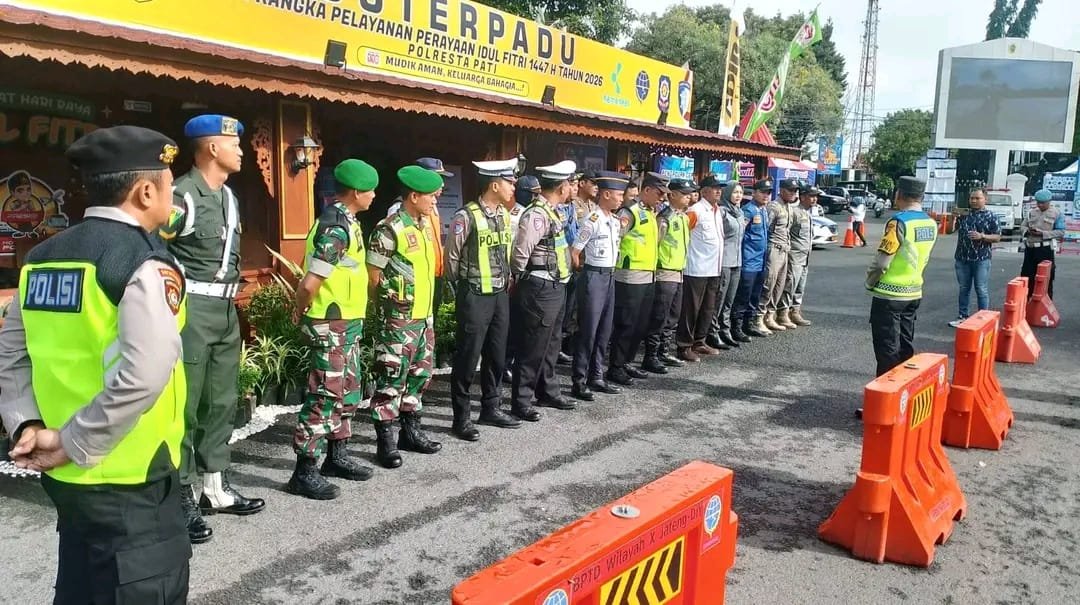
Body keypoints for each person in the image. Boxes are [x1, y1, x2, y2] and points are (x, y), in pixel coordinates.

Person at [0, 125, 192, 603]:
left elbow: (11, 355)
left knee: (81, 587)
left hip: (65, 478)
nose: (173, 193)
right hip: (131, 478)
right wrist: (73, 442)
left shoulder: (41, 258)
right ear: (146, 191)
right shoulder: (142, 262)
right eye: (169, 182)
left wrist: (26, 423)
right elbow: (145, 374)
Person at [162, 114, 263, 544]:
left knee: (221, 400)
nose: (240, 149)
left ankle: (214, 488)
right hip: (191, 309)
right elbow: (154, 248)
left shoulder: (229, 197)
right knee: (185, 403)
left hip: (224, 311)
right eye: (233, 142)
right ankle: (182, 493)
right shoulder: (181, 195)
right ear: (211, 149)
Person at [286, 159, 378, 500]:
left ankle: (336, 457)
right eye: (370, 190)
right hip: (330, 323)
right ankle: (304, 470)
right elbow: (311, 283)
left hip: (347, 323)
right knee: (325, 393)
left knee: (347, 389)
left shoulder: (349, 222)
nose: (373, 196)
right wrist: (299, 310)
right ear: (356, 192)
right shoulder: (335, 228)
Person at [366, 165, 445, 468]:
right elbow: (373, 276)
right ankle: (385, 441)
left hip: (423, 319)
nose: (435, 202)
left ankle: (410, 433)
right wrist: (390, 311)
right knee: (391, 380)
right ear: (414, 196)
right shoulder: (389, 229)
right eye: (431, 197)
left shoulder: (423, 225)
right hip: (399, 321)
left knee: (419, 377)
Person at [443, 158, 523, 441]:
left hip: (500, 294)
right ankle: (461, 418)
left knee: (497, 355)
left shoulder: (503, 215)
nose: (514, 186)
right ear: (494, 184)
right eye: (509, 182)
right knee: (467, 357)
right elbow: (451, 258)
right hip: (475, 295)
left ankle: (491, 407)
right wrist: (462, 286)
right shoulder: (466, 216)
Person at [510, 160, 578, 420]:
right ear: (561, 187)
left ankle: (547, 391)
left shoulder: (554, 211)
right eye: (570, 184)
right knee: (533, 345)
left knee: (551, 342)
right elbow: (520, 254)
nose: (572, 187)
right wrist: (523, 277)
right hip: (540, 286)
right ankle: (522, 401)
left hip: (556, 284)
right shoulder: (537, 214)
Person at [866, 176, 936, 380]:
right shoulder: (930, 222)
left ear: (900, 194)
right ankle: (903, 395)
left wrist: (870, 282)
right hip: (914, 292)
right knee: (905, 347)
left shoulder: (898, 222)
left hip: (889, 294)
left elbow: (882, 261)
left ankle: (885, 402)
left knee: (887, 350)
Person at [569, 171, 627, 400]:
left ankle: (597, 376)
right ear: (606, 194)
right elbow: (575, 251)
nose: (621, 199)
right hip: (593, 275)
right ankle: (579, 380)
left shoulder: (613, 220)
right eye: (618, 195)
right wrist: (583, 272)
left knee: (604, 330)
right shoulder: (591, 220)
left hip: (610, 276)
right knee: (588, 331)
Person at [387, 158, 451, 364]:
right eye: (436, 180)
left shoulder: (432, 208)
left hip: (432, 278)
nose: (441, 186)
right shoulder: (396, 213)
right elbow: (378, 271)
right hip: (407, 296)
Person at [608, 172, 667, 384]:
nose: (662, 198)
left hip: (648, 274)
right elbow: (616, 238)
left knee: (641, 324)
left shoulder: (651, 212)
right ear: (647, 190)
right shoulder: (629, 211)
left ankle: (626, 362)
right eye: (659, 193)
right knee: (626, 323)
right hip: (630, 275)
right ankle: (615, 366)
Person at [643, 178, 697, 373]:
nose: (688, 197)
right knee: (659, 316)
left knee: (673, 316)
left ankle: (663, 352)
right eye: (684, 193)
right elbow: (655, 244)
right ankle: (650, 355)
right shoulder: (664, 217)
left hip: (678, 270)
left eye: (689, 193)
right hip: (664, 271)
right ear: (672, 194)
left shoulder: (682, 216)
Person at [677, 174, 726, 361]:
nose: (718, 191)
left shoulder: (717, 211)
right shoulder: (695, 211)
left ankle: (700, 341)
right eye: (715, 188)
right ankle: (684, 345)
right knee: (691, 309)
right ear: (704, 191)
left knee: (708, 308)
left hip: (714, 267)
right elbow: (682, 234)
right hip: (696, 268)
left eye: (719, 188)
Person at [950, 187, 1001, 327]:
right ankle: (962, 316)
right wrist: (953, 218)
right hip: (962, 258)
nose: (973, 201)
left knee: (981, 288)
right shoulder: (964, 215)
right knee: (964, 288)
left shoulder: (991, 216)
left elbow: (997, 237)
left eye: (977, 198)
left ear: (985, 199)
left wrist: (982, 236)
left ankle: (983, 319)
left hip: (981, 259)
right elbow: (949, 230)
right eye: (972, 198)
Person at [708, 180, 746, 349]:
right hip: (723, 261)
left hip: (737, 261)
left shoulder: (739, 212)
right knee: (719, 299)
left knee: (729, 300)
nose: (738, 196)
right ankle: (713, 332)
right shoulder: (721, 211)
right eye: (735, 192)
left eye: (740, 192)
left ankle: (725, 329)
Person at [732, 179, 772, 339]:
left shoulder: (763, 210)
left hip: (761, 262)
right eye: (763, 192)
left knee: (755, 296)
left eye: (768, 193)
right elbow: (740, 235)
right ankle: (736, 327)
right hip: (748, 261)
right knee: (743, 296)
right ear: (754, 193)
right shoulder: (748, 211)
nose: (766, 195)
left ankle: (749, 324)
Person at [760, 178, 797, 332]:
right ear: (781, 190)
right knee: (769, 282)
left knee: (780, 285)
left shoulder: (788, 207)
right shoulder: (774, 207)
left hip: (784, 249)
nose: (793, 193)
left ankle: (771, 315)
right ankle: (759, 317)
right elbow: (764, 229)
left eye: (795, 191)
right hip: (774, 248)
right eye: (790, 190)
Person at [783, 184, 819, 327]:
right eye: (811, 196)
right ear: (802, 197)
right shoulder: (794, 212)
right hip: (794, 255)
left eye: (815, 196)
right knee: (790, 285)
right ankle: (783, 313)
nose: (814, 199)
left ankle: (795, 311)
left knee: (800, 286)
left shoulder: (807, 212)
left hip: (805, 257)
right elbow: (785, 233)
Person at [1020, 189, 1064, 300]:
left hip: (1045, 249)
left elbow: (1061, 232)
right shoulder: (1032, 212)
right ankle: (1026, 306)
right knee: (1027, 277)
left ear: (1049, 201)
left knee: (1045, 279)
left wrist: (1042, 233)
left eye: (1042, 203)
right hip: (1030, 249)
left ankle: (1045, 307)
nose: (1040, 205)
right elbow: (1022, 226)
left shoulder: (1057, 213)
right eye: (1038, 202)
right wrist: (1027, 231)